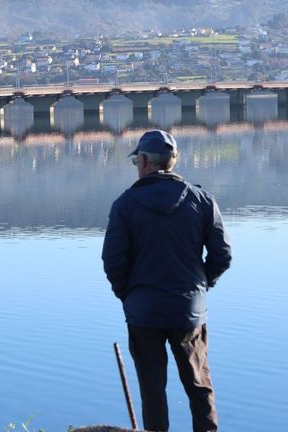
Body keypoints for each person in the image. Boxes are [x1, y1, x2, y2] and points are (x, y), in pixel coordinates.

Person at [102, 130, 232, 432]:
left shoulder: (125, 204)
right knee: (199, 387)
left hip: (144, 312)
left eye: (137, 159)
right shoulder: (202, 200)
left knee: (152, 391)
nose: (137, 164)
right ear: (172, 162)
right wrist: (200, 285)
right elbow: (222, 255)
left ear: (145, 161)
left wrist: (128, 295)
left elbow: (113, 262)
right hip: (189, 310)